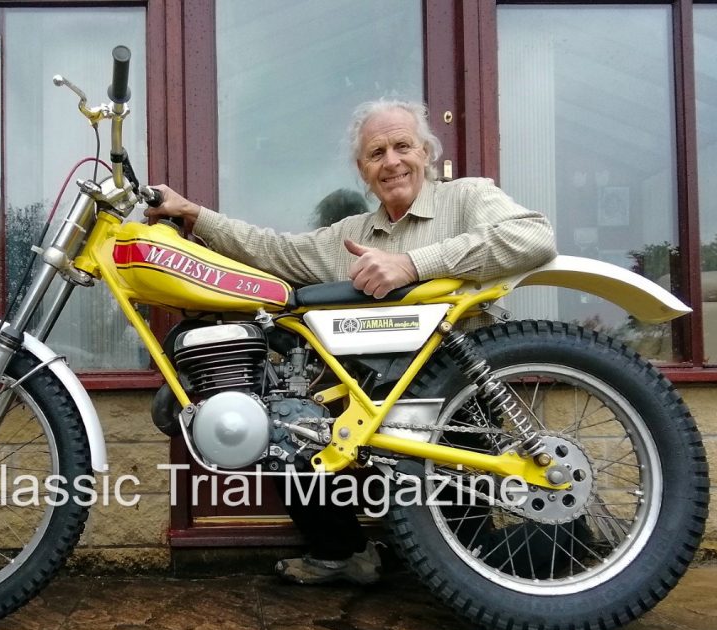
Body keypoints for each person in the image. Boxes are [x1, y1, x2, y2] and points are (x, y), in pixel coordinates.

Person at [146, 99, 557, 585]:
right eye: (376, 153)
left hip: (457, 398)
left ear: (426, 152)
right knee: (287, 426)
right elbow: (275, 249)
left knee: (461, 560)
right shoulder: (352, 235)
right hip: (377, 403)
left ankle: (575, 549)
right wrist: (193, 214)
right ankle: (341, 553)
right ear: (363, 171)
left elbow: (534, 237)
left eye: (403, 146)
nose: (392, 162)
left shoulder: (467, 198)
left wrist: (413, 265)